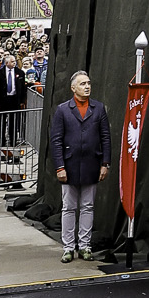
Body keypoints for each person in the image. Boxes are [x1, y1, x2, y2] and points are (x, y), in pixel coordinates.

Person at [49, 70, 111, 261]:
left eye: (89, 83)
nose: (87, 87)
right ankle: (68, 247)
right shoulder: (63, 110)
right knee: (68, 207)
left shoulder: (98, 108)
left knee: (87, 206)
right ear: (73, 88)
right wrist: (60, 166)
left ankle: (84, 246)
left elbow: (105, 138)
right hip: (69, 165)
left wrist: (105, 163)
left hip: (92, 164)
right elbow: (56, 140)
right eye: (83, 84)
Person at [0, 48, 27, 147]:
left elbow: (23, 88)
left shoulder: (20, 73)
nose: (14, 63)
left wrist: (22, 100)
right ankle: (1, 140)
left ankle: (13, 140)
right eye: (12, 61)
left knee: (13, 121)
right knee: (0, 121)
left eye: (14, 61)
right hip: (2, 100)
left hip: (14, 99)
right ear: (7, 63)